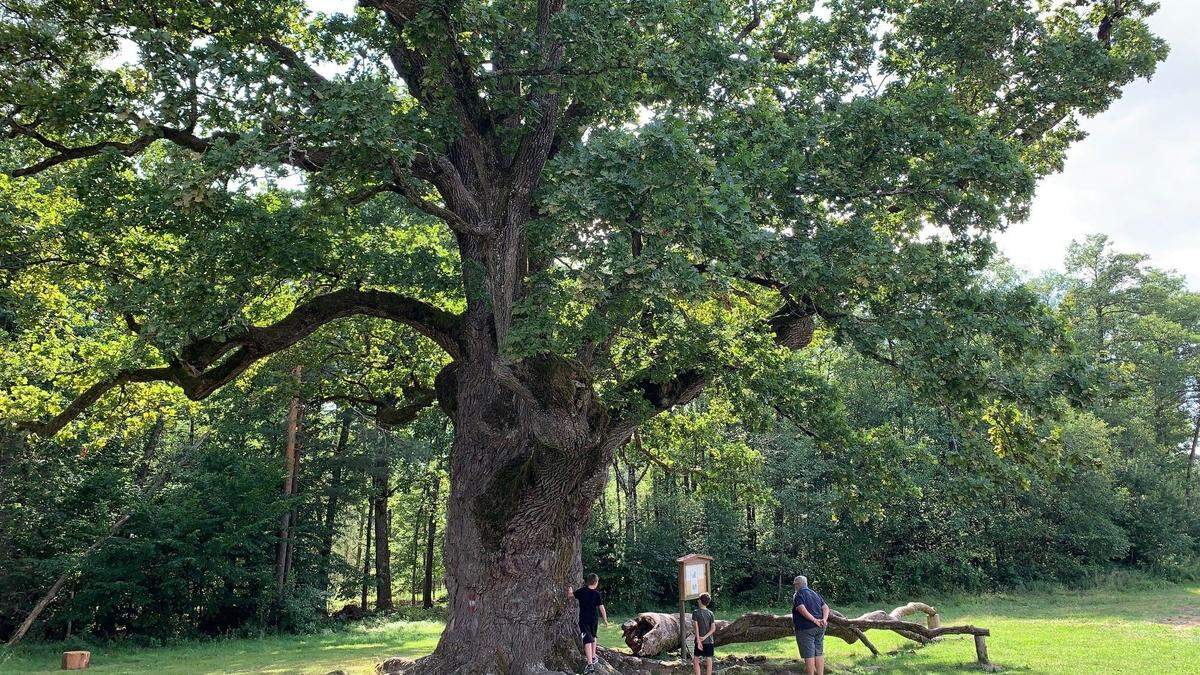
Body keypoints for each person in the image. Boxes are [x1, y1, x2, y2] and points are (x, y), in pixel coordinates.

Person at [567, 573, 609, 671]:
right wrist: (605, 619)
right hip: (594, 619)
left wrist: (570, 589)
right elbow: (601, 607)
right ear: (596, 582)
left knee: (587, 640)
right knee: (593, 636)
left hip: (584, 619)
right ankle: (593, 656)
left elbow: (570, 596)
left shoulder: (582, 591)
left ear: (588, 581)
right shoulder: (597, 594)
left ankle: (590, 663)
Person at [791, 575, 830, 675]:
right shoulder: (814, 593)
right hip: (820, 627)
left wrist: (814, 620)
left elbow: (801, 608)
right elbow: (825, 607)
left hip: (805, 629)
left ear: (798, 584)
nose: (794, 586)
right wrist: (824, 620)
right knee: (818, 653)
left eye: (795, 584)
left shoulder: (798, 594)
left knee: (809, 655)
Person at [691, 592, 716, 675]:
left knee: (696, 659)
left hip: (699, 641)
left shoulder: (695, 612)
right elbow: (713, 629)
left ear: (700, 601)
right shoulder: (711, 613)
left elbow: (696, 628)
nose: (698, 601)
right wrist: (705, 637)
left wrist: (699, 640)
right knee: (709, 659)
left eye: (698, 599)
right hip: (709, 641)